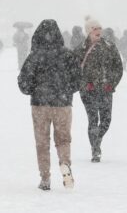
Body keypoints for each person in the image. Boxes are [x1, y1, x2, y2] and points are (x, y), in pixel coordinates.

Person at [18, 19, 81, 191]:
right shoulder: (68, 55)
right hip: (63, 104)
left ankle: (45, 177)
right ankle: (65, 164)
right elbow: (78, 79)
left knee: (42, 142)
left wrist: (34, 90)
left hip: (40, 104)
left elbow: (23, 82)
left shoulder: (34, 56)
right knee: (63, 139)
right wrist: (66, 91)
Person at [74, 16, 123, 162]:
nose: (98, 31)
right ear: (88, 32)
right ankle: (95, 149)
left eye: (99, 28)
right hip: (88, 91)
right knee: (93, 119)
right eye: (94, 29)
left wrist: (111, 83)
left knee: (106, 120)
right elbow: (75, 70)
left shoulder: (109, 46)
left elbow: (118, 68)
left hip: (106, 89)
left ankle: (97, 139)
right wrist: (84, 83)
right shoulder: (80, 49)